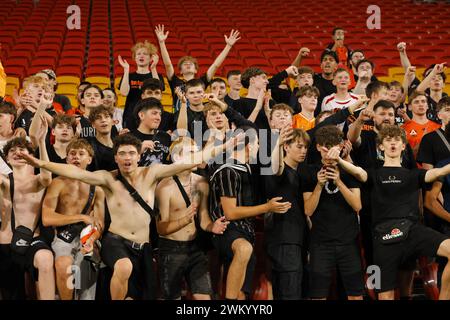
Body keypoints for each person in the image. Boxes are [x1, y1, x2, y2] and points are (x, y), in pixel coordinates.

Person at [19, 133, 228, 300]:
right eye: (122, 153)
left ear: (138, 156)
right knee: (123, 266)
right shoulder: (107, 179)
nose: (127, 158)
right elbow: (74, 172)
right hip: (116, 241)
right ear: (116, 157)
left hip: (143, 245)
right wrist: (39, 163)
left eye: (131, 153)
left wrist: (225, 146)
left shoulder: (152, 173)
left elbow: (190, 162)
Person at [336, 125, 450, 300]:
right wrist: (338, 160)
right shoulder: (373, 174)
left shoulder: (414, 174)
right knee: (385, 296)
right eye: (388, 140)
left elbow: (438, 171)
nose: (393, 144)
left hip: (413, 231)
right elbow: (358, 171)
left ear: (404, 146)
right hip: (384, 237)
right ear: (381, 146)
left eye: (397, 140)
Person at [209, 126, 292, 299]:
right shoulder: (228, 171)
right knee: (244, 249)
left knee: (243, 292)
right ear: (248, 146)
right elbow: (230, 213)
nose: (259, 148)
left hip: (245, 232)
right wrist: (267, 207)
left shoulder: (245, 169)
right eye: (258, 144)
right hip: (228, 230)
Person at [155, 137, 229, 300]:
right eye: (191, 152)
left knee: (205, 298)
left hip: (195, 248)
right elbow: (161, 228)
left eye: (198, 152)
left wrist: (212, 227)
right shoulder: (164, 186)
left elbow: (203, 219)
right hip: (171, 249)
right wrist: (184, 219)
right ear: (177, 157)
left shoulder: (201, 182)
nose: (198, 156)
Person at [300, 125, 364, 300]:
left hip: (348, 242)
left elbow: (357, 205)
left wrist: (338, 181)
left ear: (341, 146)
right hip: (320, 243)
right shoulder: (308, 171)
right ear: (318, 147)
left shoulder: (349, 170)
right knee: (318, 296)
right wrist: (319, 185)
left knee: (355, 295)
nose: (329, 153)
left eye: (333, 147)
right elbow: (308, 210)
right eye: (325, 147)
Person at [42, 138, 105, 300]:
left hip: (87, 237)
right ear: (66, 158)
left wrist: (92, 239)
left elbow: (99, 222)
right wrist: (81, 216)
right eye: (72, 154)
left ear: (89, 159)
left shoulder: (97, 187)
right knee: (63, 265)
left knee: (86, 269)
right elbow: (47, 218)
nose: (76, 157)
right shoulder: (57, 183)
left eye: (81, 154)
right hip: (63, 236)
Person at [0, 130, 54, 300]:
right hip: (5, 243)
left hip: (32, 240)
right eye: (12, 151)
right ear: (7, 159)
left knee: (45, 258)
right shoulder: (3, 180)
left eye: (22, 150)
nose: (17, 153)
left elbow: (47, 175)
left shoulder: (38, 181)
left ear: (32, 156)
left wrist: (42, 142)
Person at [264, 127, 310, 299]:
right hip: (284, 239)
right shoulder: (279, 169)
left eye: (305, 147)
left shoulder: (301, 173)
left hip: (297, 240)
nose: (303, 151)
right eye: (299, 146)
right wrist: (278, 143)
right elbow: (276, 167)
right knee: (290, 293)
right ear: (286, 147)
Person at [155, 25, 240, 109]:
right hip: (178, 118)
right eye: (185, 64)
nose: (188, 64)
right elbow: (168, 65)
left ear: (196, 70)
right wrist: (161, 43)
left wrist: (228, 46)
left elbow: (215, 65)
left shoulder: (202, 81)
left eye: (191, 64)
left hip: (197, 118)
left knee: (198, 123)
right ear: (180, 71)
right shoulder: (175, 82)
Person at [118, 40, 164, 131]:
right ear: (134, 58)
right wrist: (126, 70)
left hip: (151, 114)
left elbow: (159, 89)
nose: (141, 56)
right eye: (138, 54)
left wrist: (153, 68)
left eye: (145, 54)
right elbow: (124, 92)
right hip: (131, 115)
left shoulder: (156, 75)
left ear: (151, 58)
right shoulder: (129, 76)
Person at [130, 98, 171, 166]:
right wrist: (138, 152)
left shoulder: (166, 137)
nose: (158, 118)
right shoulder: (127, 138)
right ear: (141, 115)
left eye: (160, 114)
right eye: (154, 113)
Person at [402, 91, 441, 158]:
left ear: (427, 106)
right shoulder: (402, 129)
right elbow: (405, 157)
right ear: (410, 107)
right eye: (416, 102)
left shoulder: (438, 128)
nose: (421, 104)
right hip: (413, 167)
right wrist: (423, 140)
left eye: (423, 101)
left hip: (436, 167)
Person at [417, 97, 450, 169]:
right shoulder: (428, 139)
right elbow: (428, 174)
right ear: (439, 115)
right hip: (441, 180)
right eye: (448, 110)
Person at [88, 106, 117, 171]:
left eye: (106, 117)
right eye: (98, 118)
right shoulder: (88, 146)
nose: (103, 120)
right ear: (93, 125)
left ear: (112, 121)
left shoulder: (120, 144)